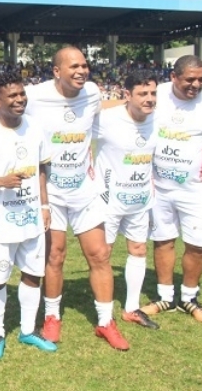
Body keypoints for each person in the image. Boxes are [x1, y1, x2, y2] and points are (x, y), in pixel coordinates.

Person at [24, 46, 128, 350]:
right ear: (57, 71)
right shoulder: (35, 95)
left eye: (85, 65)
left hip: (85, 192)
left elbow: (108, 106)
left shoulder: (93, 92)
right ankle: (52, 317)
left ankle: (106, 322)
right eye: (74, 67)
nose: (82, 71)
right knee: (54, 255)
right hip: (51, 194)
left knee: (100, 255)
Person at [0, 71, 57, 360]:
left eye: (21, 94)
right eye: (12, 96)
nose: (19, 100)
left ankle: (28, 330)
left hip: (31, 217)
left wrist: (44, 206)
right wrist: (1, 182)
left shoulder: (34, 127)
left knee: (32, 275)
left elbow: (41, 169)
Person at [142, 55, 202, 323]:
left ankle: (189, 298)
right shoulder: (157, 95)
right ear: (173, 77)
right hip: (160, 187)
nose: (196, 84)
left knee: (198, 244)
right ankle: (165, 296)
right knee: (163, 239)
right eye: (190, 79)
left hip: (197, 189)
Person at [93, 70, 159, 330]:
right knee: (104, 255)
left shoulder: (158, 119)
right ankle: (104, 313)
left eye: (153, 93)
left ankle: (131, 308)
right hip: (108, 200)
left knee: (139, 250)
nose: (150, 98)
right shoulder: (107, 120)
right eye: (143, 93)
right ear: (127, 95)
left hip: (140, 200)